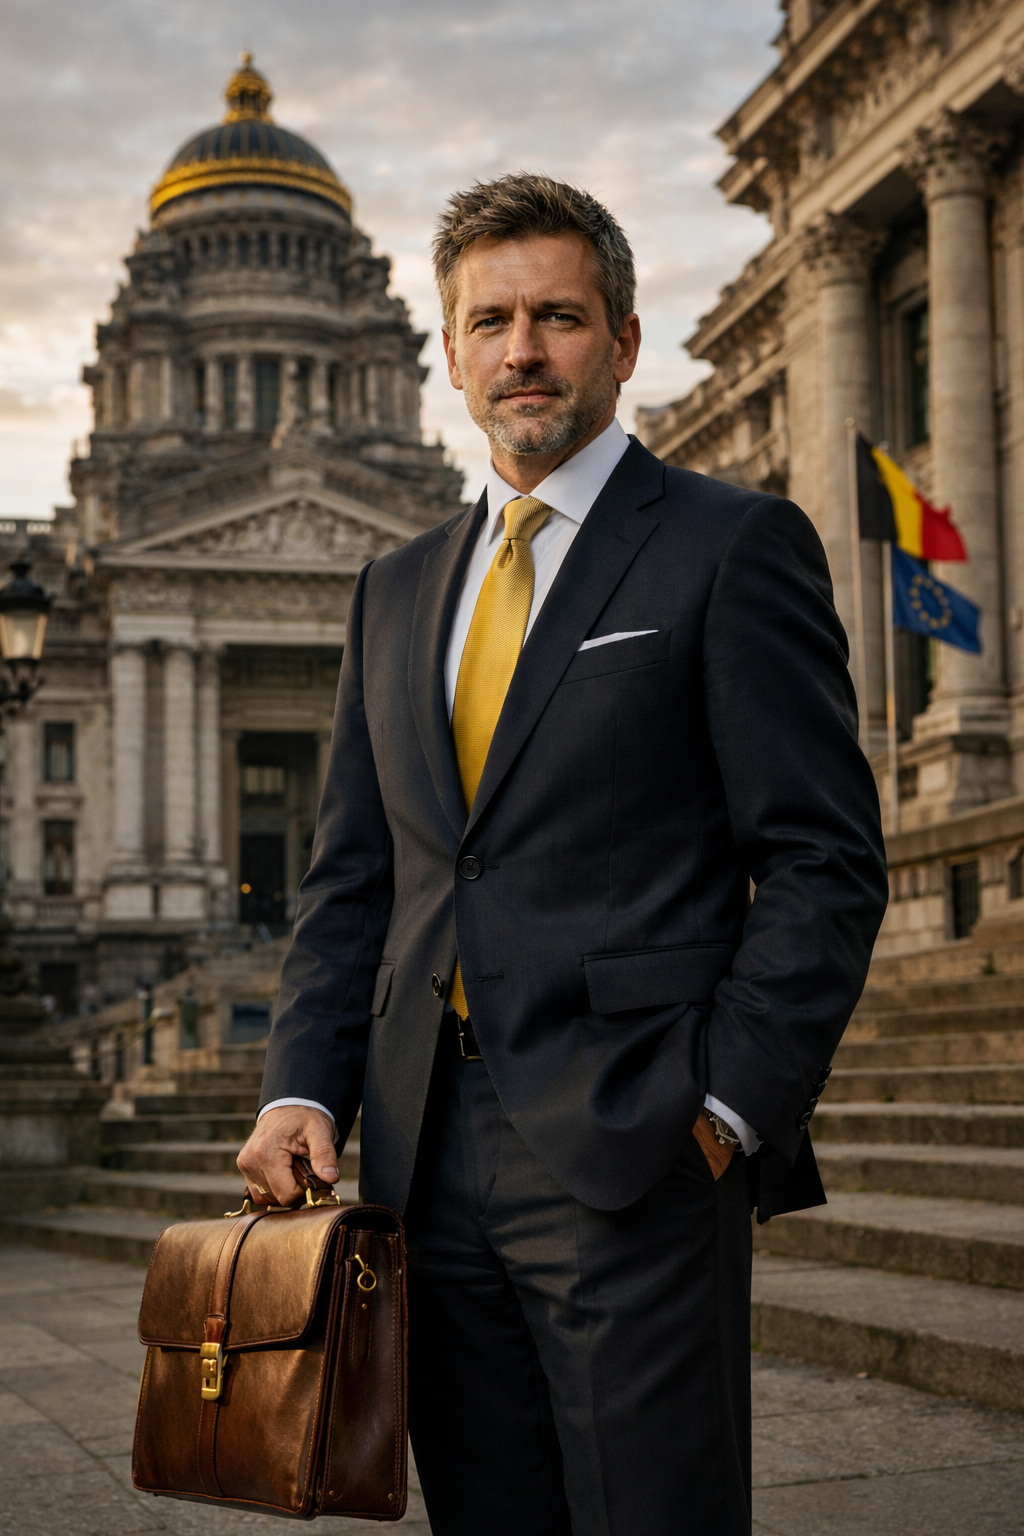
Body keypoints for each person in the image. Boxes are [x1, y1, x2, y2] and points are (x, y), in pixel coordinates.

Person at [238, 173, 888, 1535]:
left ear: (624, 342)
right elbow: (361, 877)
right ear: (452, 349)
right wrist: (303, 1086)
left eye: (558, 316)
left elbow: (824, 856)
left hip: (635, 1141)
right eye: (492, 321)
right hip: (423, 1161)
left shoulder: (728, 544)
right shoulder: (398, 582)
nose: (522, 348)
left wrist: (723, 1112)